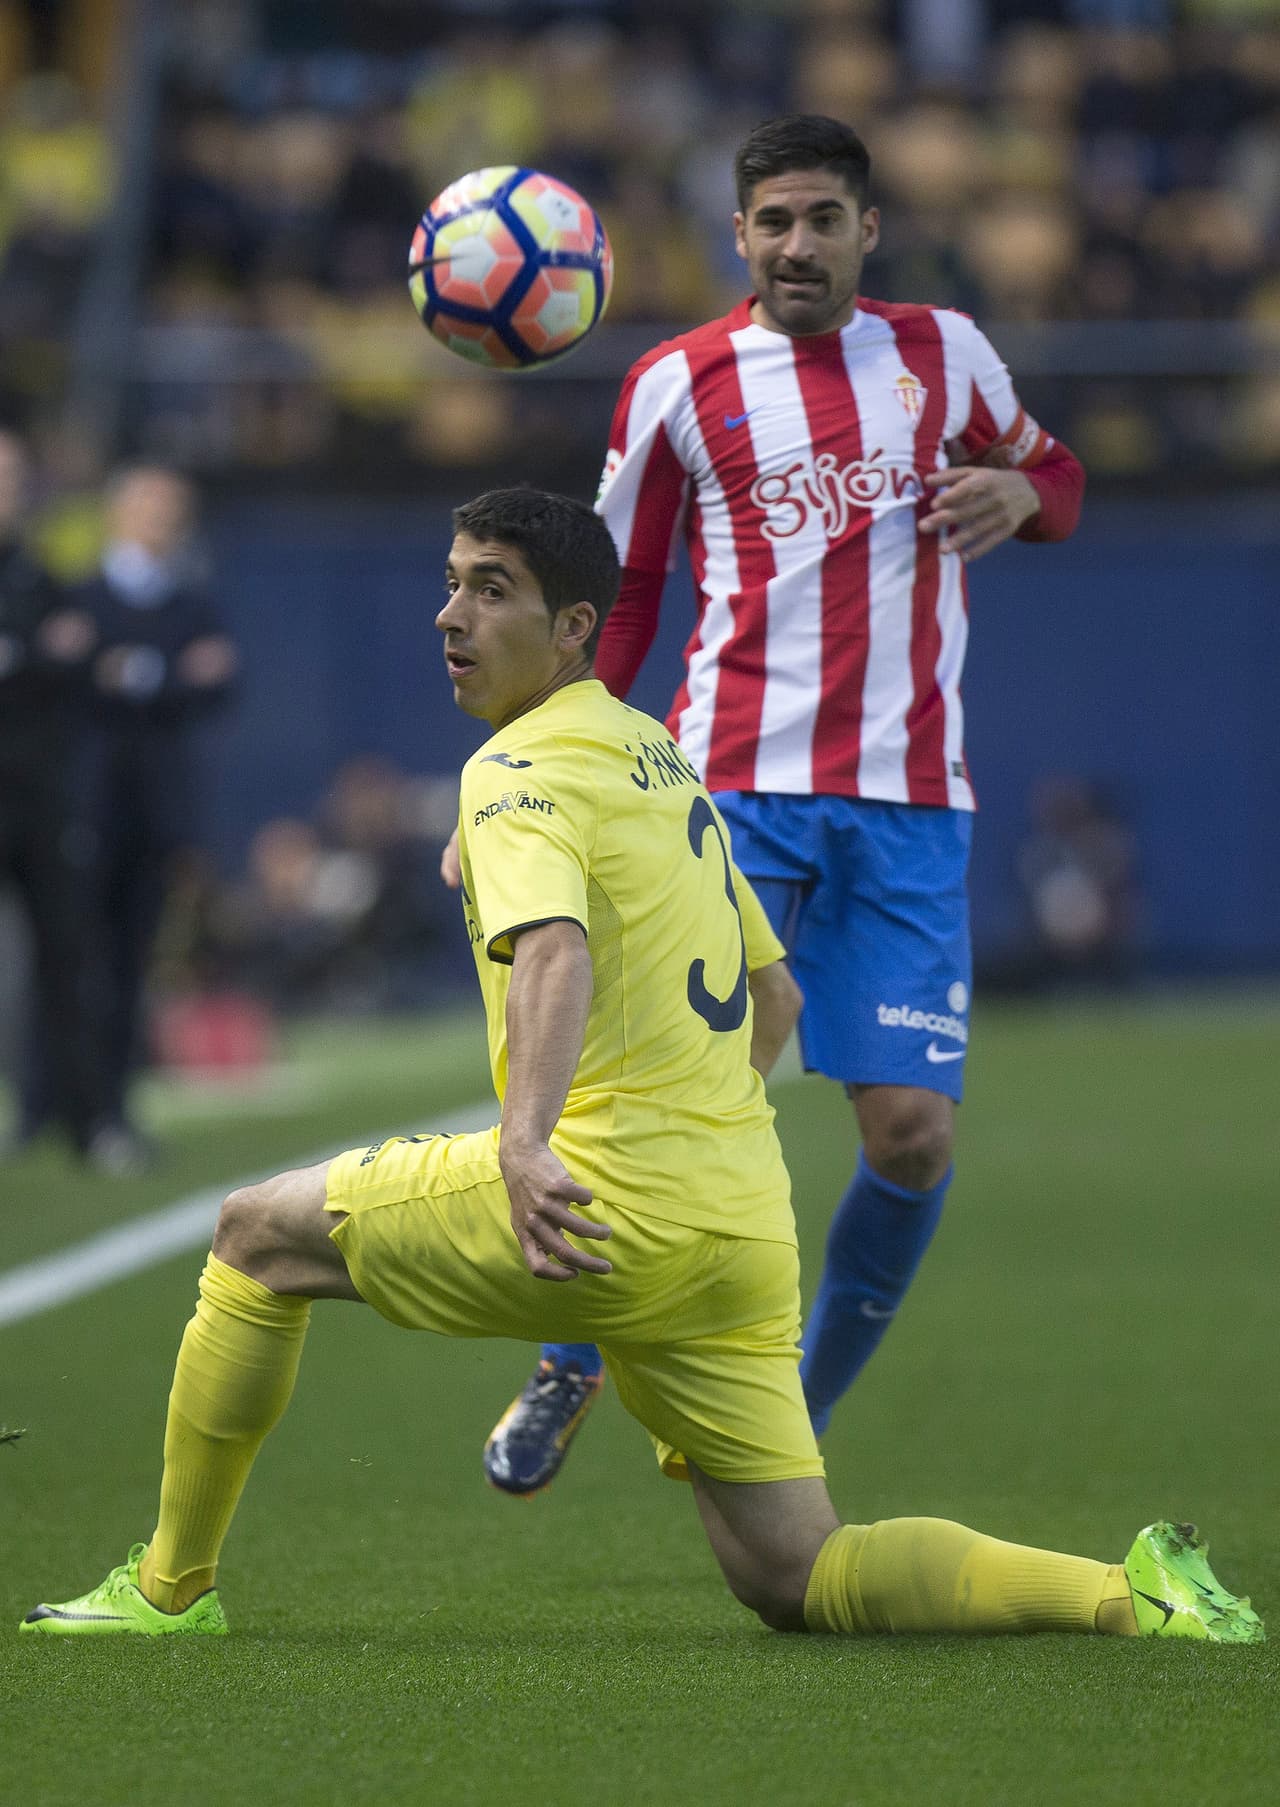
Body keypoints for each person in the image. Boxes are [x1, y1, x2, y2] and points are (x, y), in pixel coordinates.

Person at [19, 487, 1261, 1647]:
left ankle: (170, 1589)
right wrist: (694, 1138)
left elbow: (553, 951)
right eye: (451, 584)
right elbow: (774, 992)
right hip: (733, 1225)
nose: (452, 615)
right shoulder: (659, 757)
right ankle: (1127, 1595)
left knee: (252, 1236)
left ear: (572, 629)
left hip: (598, 1201)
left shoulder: (512, 768)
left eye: (491, 589)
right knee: (792, 1571)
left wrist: (522, 1144)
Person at [479, 114, 1089, 1494]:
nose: (796, 244)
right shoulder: (677, 383)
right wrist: (544, 760)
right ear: (737, 235)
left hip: (912, 805)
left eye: (823, 218)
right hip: (731, 793)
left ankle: (778, 1418)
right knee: (670, 1103)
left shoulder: (947, 352)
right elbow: (625, 591)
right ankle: (573, 1352)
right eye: (773, 222)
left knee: (914, 1136)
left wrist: (1018, 491)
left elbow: (1059, 478)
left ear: (870, 229)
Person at [55, 465, 238, 1142]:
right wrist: (165, 673)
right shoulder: (79, 595)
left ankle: (110, 1106)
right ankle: (58, 1102)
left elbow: (219, 681)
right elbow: (73, 679)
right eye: (150, 507)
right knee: (72, 958)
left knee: (132, 960)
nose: (162, 521)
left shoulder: (193, 601)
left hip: (157, 806)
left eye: (172, 509)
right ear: (118, 513)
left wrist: (126, 671)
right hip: (87, 802)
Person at [0, 427, 122, 1169]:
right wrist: (39, 653)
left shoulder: (43, 574)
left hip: (40, 797)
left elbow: (80, 657)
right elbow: (56, 654)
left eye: (14, 472)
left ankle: (86, 1120)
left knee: (69, 958)